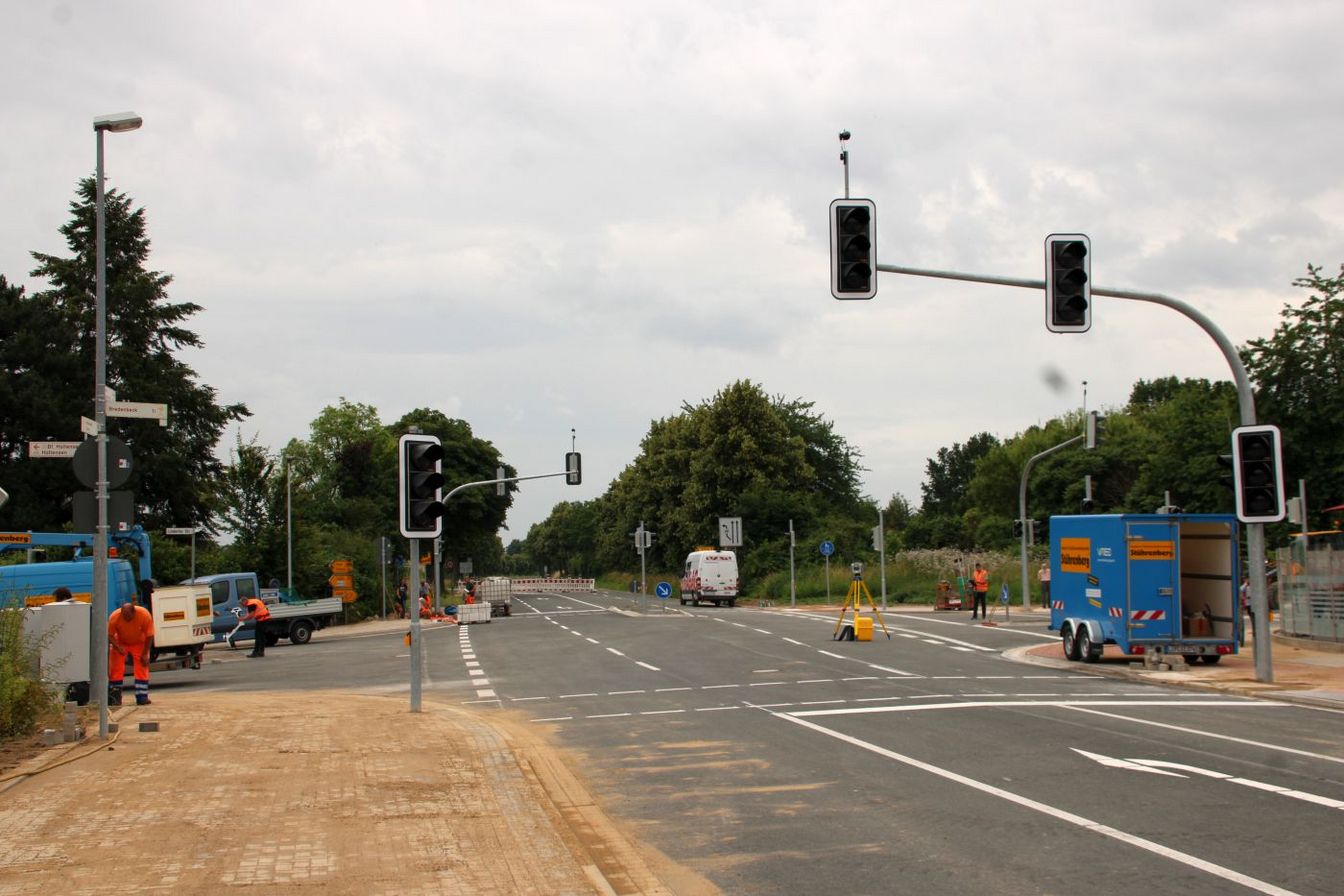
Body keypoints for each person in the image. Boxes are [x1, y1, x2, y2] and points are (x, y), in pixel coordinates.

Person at [108, 598, 154, 706]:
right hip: (120, 642)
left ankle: (142, 697)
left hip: (139, 642)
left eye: (128, 616)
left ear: (134, 612)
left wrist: (145, 653)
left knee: (142, 667)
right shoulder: (114, 617)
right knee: (115, 668)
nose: (126, 619)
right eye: (124, 616)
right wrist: (117, 647)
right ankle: (115, 697)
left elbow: (149, 635)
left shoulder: (144, 615)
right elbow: (110, 635)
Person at [240, 593, 272, 658]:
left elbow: (250, 616)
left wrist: (242, 619)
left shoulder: (250, 604)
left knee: (258, 636)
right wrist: (243, 618)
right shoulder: (253, 601)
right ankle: (261, 652)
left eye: (242, 604)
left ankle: (255, 653)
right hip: (265, 619)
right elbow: (250, 614)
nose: (242, 606)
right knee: (261, 636)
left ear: (244, 601)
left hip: (262, 620)